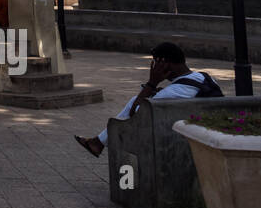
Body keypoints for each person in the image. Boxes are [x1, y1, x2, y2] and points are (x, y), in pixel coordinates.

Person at [74, 42, 221, 157]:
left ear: (165, 63)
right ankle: (98, 142)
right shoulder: (203, 77)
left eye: (156, 62)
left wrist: (152, 83)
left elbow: (135, 113)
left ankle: (99, 143)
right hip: (202, 124)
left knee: (133, 106)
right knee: (137, 100)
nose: (155, 66)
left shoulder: (176, 90)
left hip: (185, 136)